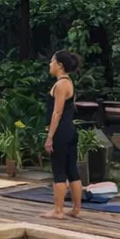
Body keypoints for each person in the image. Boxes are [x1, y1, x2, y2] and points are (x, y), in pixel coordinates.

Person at [44, 50, 82, 219]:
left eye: (52, 61)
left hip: (61, 131)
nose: (49, 65)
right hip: (70, 131)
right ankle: (76, 208)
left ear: (59, 65)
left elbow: (57, 113)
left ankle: (58, 210)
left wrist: (50, 137)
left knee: (59, 170)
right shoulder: (69, 82)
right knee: (72, 170)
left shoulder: (60, 85)